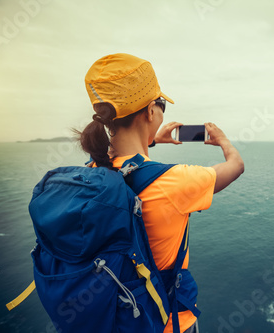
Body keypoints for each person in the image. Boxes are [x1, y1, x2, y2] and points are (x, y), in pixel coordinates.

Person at [77, 53, 244, 333]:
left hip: (113, 317)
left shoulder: (93, 169)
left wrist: (149, 139)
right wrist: (223, 140)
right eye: (160, 104)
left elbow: (120, 161)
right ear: (150, 111)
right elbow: (236, 165)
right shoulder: (174, 181)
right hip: (166, 322)